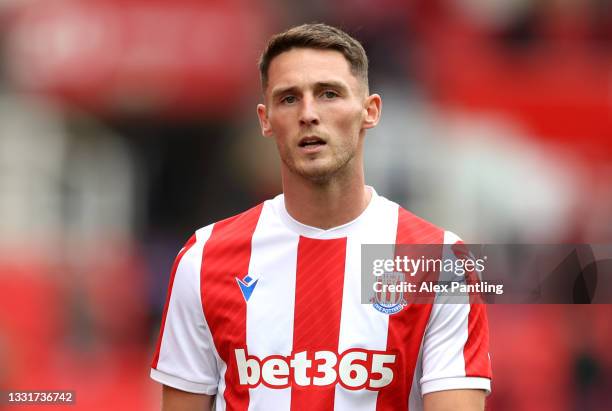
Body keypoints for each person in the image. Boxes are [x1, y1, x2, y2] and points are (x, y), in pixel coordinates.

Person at [150, 23, 492, 411]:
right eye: (289, 99)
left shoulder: (440, 262)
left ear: (370, 111)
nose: (309, 114)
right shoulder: (204, 258)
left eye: (329, 94)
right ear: (265, 119)